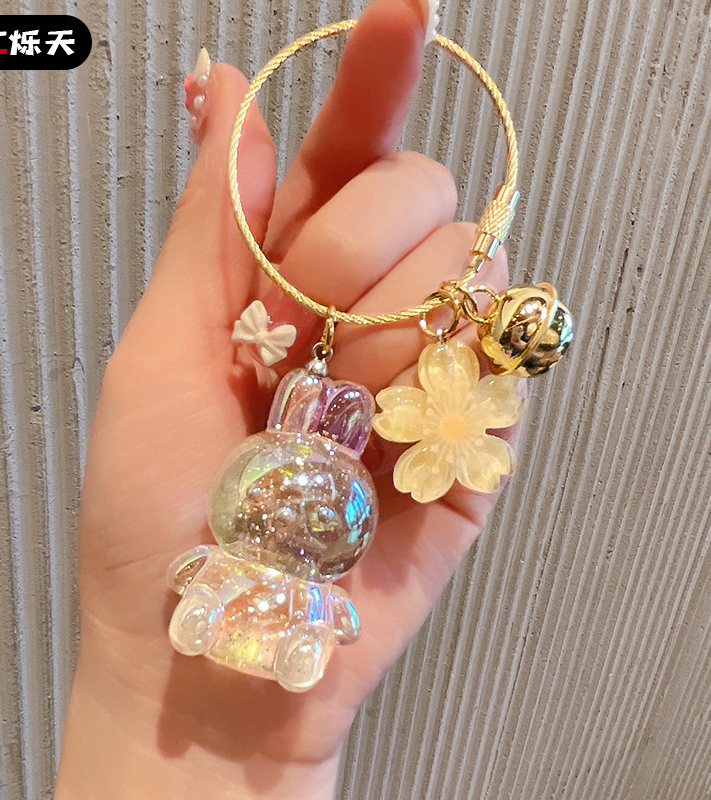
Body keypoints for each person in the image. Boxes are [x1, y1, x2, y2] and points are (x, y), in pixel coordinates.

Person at [54, 0, 520, 796]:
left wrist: (216, 750)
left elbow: (340, 614)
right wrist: (146, 703)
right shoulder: (237, 502)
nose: (301, 507)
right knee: (212, 596)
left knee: (290, 623)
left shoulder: (335, 519)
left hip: (301, 598)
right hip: (234, 575)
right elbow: (197, 564)